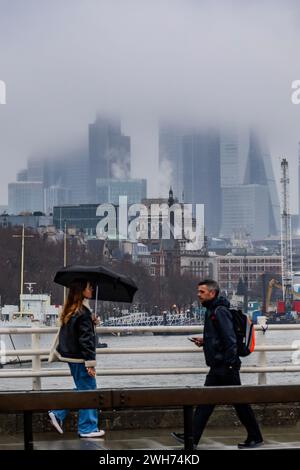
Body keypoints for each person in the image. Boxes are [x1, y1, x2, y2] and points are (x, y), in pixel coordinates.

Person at [172, 279, 263, 449]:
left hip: (225, 366)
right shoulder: (212, 310)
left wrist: (228, 364)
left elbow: (230, 340)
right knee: (207, 403)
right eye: (198, 291)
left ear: (212, 293)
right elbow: (220, 338)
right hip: (220, 365)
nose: (198, 295)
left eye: (202, 292)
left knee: (236, 403)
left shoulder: (219, 311)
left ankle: (255, 436)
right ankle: (191, 438)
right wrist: (205, 341)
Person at [48, 279, 105, 438]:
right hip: (81, 359)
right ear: (82, 291)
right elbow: (85, 340)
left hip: (72, 358)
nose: (92, 289)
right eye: (89, 287)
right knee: (89, 392)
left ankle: (58, 413)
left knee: (83, 390)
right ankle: (87, 428)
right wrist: (90, 364)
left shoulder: (73, 310)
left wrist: (91, 322)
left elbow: (75, 333)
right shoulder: (83, 312)